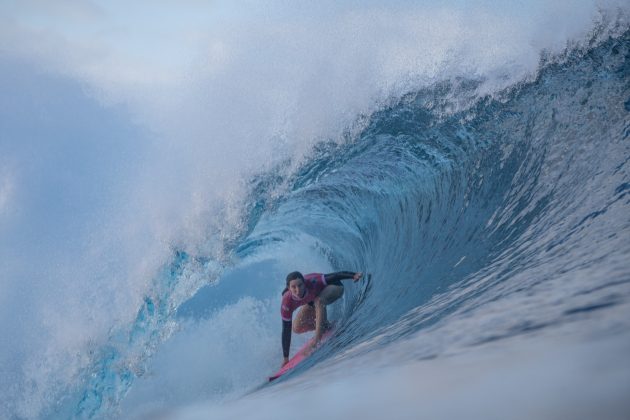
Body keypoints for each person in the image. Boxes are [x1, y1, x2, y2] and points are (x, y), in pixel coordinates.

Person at [280, 270, 363, 367]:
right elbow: (286, 329)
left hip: (334, 287)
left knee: (319, 300)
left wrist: (353, 275)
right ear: (289, 288)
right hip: (312, 300)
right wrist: (286, 358)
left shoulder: (313, 281)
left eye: (300, 285)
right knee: (297, 328)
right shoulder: (287, 302)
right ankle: (326, 327)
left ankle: (317, 340)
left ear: (304, 283)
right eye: (293, 287)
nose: (298, 290)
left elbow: (335, 276)